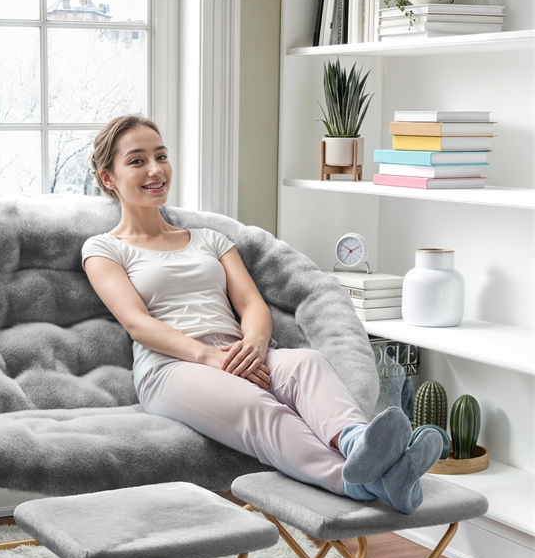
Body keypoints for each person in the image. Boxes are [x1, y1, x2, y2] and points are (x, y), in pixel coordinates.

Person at [81, 114, 444, 514]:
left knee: (309, 361)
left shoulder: (209, 239)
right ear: (108, 178)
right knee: (256, 405)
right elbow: (137, 323)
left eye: (161, 156)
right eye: (136, 161)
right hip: (171, 366)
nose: (155, 169)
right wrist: (208, 357)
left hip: (241, 351)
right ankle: (357, 482)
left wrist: (253, 343)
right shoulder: (104, 249)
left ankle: (359, 443)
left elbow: (251, 304)